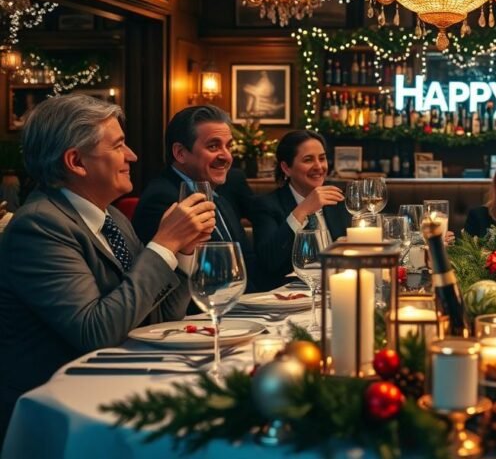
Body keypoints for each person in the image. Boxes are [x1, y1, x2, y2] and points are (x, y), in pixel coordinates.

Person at [0, 95, 215, 439]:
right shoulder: (40, 226)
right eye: (118, 146)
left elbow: (156, 320)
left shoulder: (111, 217)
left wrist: (183, 253)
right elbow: (95, 334)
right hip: (64, 416)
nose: (132, 155)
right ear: (76, 161)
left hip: (119, 390)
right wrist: (163, 246)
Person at [133, 105, 271, 292]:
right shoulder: (164, 199)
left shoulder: (217, 191)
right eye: (213, 146)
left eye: (228, 145)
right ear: (180, 153)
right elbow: (179, 287)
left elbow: (247, 263)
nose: (226, 156)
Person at [253, 130, 349, 285]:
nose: (319, 166)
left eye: (322, 158)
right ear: (286, 168)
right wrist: (302, 210)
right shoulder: (266, 205)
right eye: (308, 160)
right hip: (289, 299)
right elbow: (268, 261)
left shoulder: (338, 200)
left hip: (338, 289)